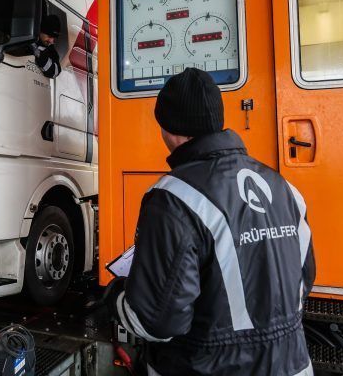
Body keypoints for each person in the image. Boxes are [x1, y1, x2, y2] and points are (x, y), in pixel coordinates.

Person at [107, 68, 315, 376]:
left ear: (168, 128)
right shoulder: (284, 188)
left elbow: (157, 322)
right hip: (293, 366)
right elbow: (303, 281)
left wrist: (117, 297)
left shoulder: (172, 198)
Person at [33, 14, 62, 79]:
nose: (51, 41)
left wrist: (39, 55)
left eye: (54, 38)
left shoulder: (51, 50)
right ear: (41, 31)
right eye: (50, 36)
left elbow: (55, 72)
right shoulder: (28, 38)